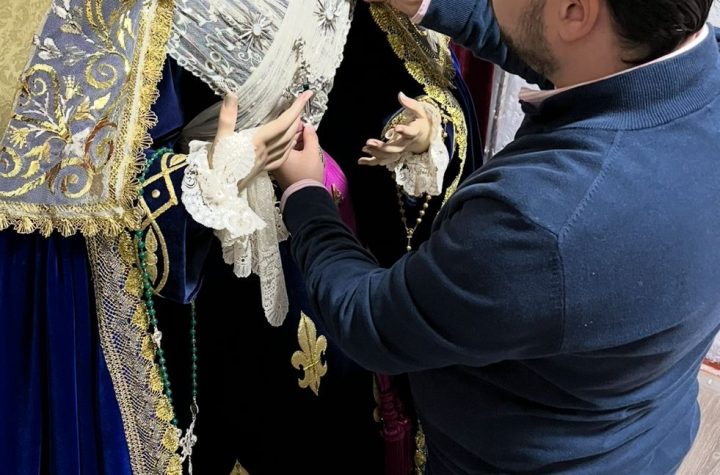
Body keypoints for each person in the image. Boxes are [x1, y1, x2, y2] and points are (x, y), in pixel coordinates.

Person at [272, 0, 720, 472]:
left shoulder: (540, 223)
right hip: (647, 428)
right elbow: (566, 52)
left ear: (575, 11)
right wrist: (428, 6)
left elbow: (369, 321)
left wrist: (307, 195)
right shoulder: (686, 57)